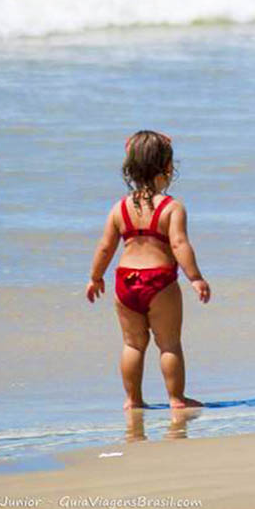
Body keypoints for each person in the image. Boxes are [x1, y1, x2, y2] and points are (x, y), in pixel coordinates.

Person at [86, 130, 211, 409]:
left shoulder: (119, 208)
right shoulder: (171, 208)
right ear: (167, 167)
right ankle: (176, 399)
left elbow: (105, 247)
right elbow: (179, 244)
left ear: (129, 168)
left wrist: (95, 277)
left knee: (132, 345)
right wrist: (195, 277)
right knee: (169, 344)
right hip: (160, 281)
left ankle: (133, 400)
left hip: (125, 282)